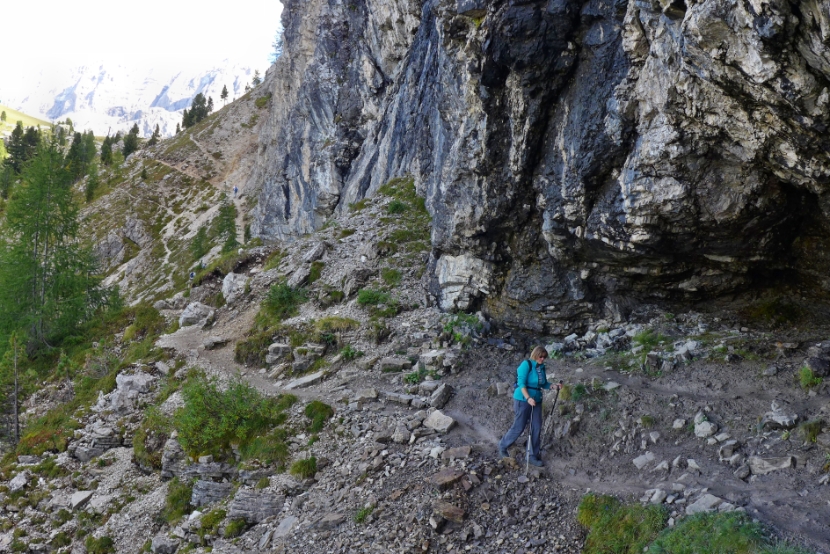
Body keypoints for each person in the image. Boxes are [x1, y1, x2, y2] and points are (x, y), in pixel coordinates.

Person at [498, 346, 560, 466]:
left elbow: (544, 384)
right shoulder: (526, 364)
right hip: (522, 399)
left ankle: (532, 455)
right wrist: (528, 398)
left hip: (536, 400)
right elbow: (521, 383)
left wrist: (554, 386)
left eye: (544, 357)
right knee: (519, 426)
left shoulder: (542, 367)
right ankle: (502, 446)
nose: (542, 359)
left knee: (536, 427)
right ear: (535, 355)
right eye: (541, 356)